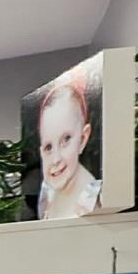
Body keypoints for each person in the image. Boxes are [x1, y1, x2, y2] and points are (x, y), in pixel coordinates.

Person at [35, 75, 101, 218]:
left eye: (66, 140)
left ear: (83, 138)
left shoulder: (91, 197)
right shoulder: (48, 192)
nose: (56, 159)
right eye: (48, 147)